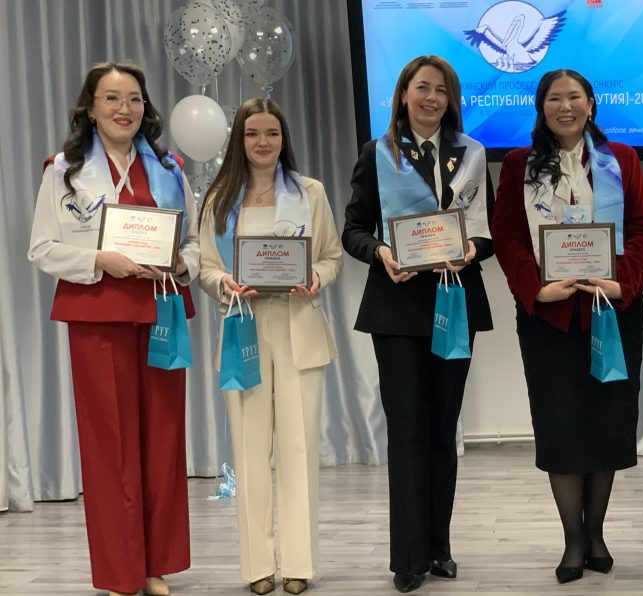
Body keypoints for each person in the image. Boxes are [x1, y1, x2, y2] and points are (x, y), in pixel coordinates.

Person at [27, 62, 198, 596]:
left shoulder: (170, 168)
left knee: (163, 441)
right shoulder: (64, 171)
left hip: (163, 310)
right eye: (112, 98)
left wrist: (182, 264)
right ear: (91, 107)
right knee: (110, 446)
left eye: (134, 99)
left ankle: (156, 565)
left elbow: (196, 243)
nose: (124, 109)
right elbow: (42, 249)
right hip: (98, 315)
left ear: (146, 107)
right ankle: (121, 572)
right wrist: (101, 260)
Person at [492, 68, 643, 584]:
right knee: (561, 427)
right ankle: (572, 539)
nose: (564, 107)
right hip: (550, 317)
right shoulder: (519, 164)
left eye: (574, 97)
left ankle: (597, 533)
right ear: (541, 107)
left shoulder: (622, 159)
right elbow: (507, 235)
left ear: (591, 103)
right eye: (553, 99)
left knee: (607, 423)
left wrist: (622, 283)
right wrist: (536, 290)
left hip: (612, 312)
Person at [342, 55, 493, 594]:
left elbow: (487, 233)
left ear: (452, 100)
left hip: (455, 301)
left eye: (441, 91)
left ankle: (439, 547)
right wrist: (381, 252)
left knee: (442, 429)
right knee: (407, 431)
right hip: (398, 308)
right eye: (422, 88)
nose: (431, 98)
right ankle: (408, 557)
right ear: (403, 94)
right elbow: (353, 230)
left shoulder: (471, 154)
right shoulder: (376, 153)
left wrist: (472, 250)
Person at [198, 98, 343, 595]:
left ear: (284, 139)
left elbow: (332, 256)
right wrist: (224, 284)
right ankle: (257, 565)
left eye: (272, 133)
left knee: (299, 449)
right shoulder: (219, 198)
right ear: (239, 140)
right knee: (249, 451)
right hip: (244, 327)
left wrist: (316, 277)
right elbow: (206, 265)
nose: (263, 142)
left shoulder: (310, 192)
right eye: (253, 133)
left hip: (299, 326)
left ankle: (299, 563)